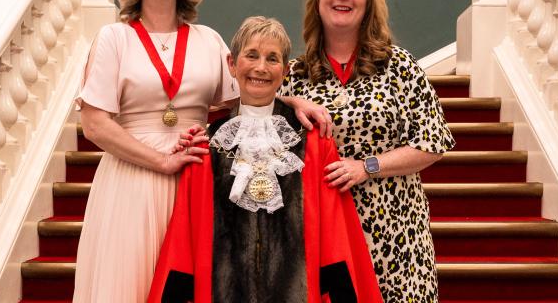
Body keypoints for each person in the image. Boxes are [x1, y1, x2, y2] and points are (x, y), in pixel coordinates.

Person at [72, 0, 330, 302]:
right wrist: (161, 161)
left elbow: (243, 103)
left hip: (200, 182)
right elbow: (94, 125)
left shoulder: (207, 40)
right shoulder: (115, 38)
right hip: (133, 183)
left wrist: (290, 101)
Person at [148, 16, 382, 302]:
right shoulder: (206, 147)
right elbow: (185, 237)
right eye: (252, 55)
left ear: (284, 71)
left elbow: (335, 233)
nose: (261, 67)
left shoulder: (313, 142)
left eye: (272, 59)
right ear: (232, 64)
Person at [279, 0, 455, 302]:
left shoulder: (399, 66)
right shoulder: (296, 76)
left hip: (397, 236)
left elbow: (432, 142)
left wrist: (367, 167)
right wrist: (289, 102)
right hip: (326, 238)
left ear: (368, 3)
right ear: (318, 0)